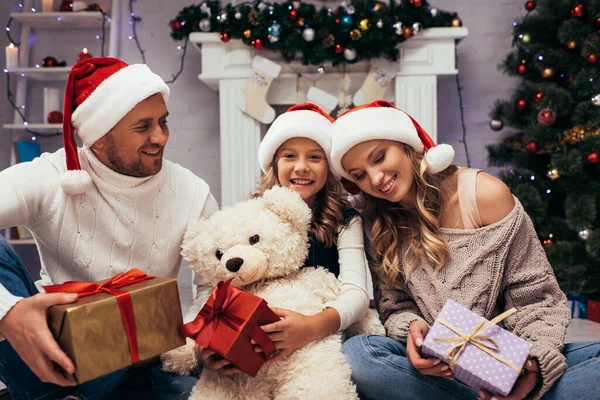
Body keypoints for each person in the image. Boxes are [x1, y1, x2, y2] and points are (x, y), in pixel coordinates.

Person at [330, 100, 599, 400]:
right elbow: (395, 306)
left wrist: (533, 369)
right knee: (359, 354)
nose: (376, 179)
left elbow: (538, 298)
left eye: (379, 157)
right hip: (436, 370)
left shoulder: (485, 194)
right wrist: (412, 329)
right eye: (360, 175)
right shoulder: (375, 221)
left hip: (509, 361)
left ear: (407, 144)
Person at [0, 57, 218, 400]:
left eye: (162, 121)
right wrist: (7, 312)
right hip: (53, 352)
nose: (159, 137)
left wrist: (195, 344)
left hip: (143, 365)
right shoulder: (52, 176)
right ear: (99, 137)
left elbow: (212, 284)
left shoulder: (192, 193)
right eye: (143, 126)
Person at [195, 103, 371, 375]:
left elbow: (357, 293)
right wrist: (208, 341)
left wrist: (313, 326)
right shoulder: (252, 215)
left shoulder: (346, 220)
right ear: (273, 164)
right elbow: (220, 285)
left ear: (329, 167)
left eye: (314, 157)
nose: (301, 167)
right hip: (259, 338)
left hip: (321, 332)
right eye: (290, 156)